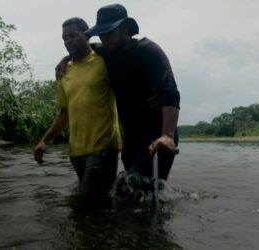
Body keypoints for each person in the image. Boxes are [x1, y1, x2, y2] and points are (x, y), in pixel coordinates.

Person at [57, 4, 180, 181]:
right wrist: (65, 59)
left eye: (108, 33)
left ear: (124, 29)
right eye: (101, 34)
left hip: (156, 131)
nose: (104, 39)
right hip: (130, 134)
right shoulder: (106, 51)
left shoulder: (148, 51)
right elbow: (83, 47)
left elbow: (170, 92)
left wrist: (167, 136)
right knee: (130, 187)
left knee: (143, 185)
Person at [34, 18, 121, 202]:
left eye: (73, 36)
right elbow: (64, 113)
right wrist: (44, 140)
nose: (68, 41)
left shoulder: (105, 61)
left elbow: (131, 71)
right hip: (76, 152)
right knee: (95, 207)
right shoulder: (63, 71)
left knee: (86, 204)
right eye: (64, 38)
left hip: (103, 147)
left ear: (86, 35)